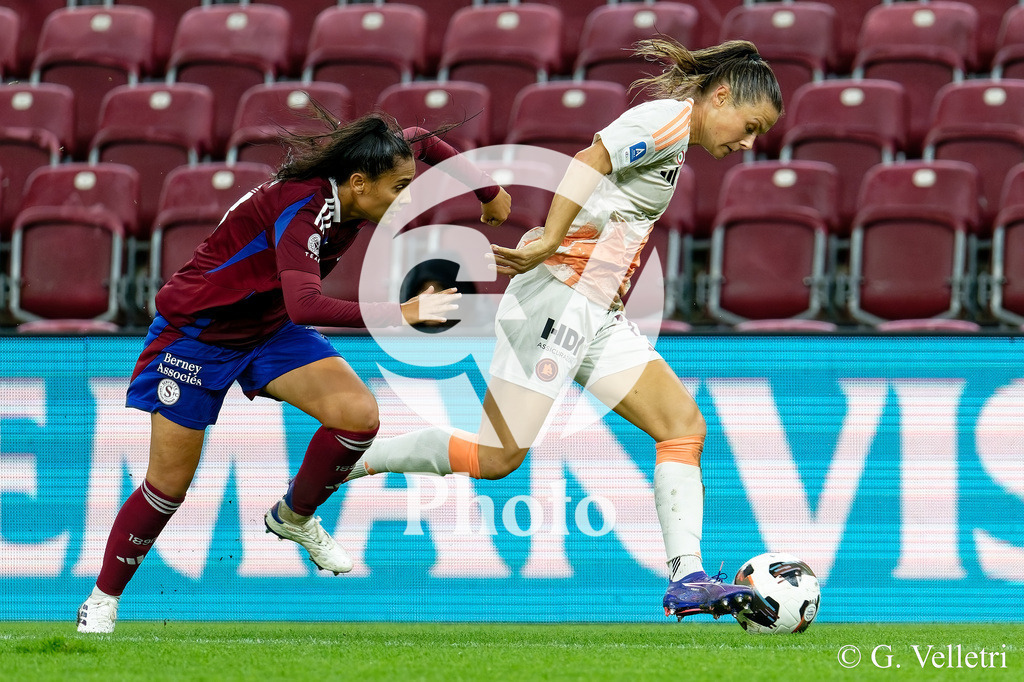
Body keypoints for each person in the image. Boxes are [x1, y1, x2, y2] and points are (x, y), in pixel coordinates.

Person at [343, 39, 783, 620]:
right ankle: (356, 460)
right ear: (721, 96)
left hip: (594, 311)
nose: (749, 143)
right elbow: (588, 161)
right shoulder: (668, 120)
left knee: (682, 426)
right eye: (750, 125)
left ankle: (687, 578)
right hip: (560, 301)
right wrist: (551, 239)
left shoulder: (676, 136)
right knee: (499, 457)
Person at [75, 109, 512, 634]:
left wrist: (487, 191)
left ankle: (293, 517)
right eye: (397, 189)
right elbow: (306, 304)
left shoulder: (370, 169)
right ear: (358, 183)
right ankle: (101, 601)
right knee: (167, 486)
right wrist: (400, 315)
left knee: (357, 415)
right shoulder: (303, 209)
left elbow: (420, 139)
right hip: (195, 337)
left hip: (267, 330)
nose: (405, 198)